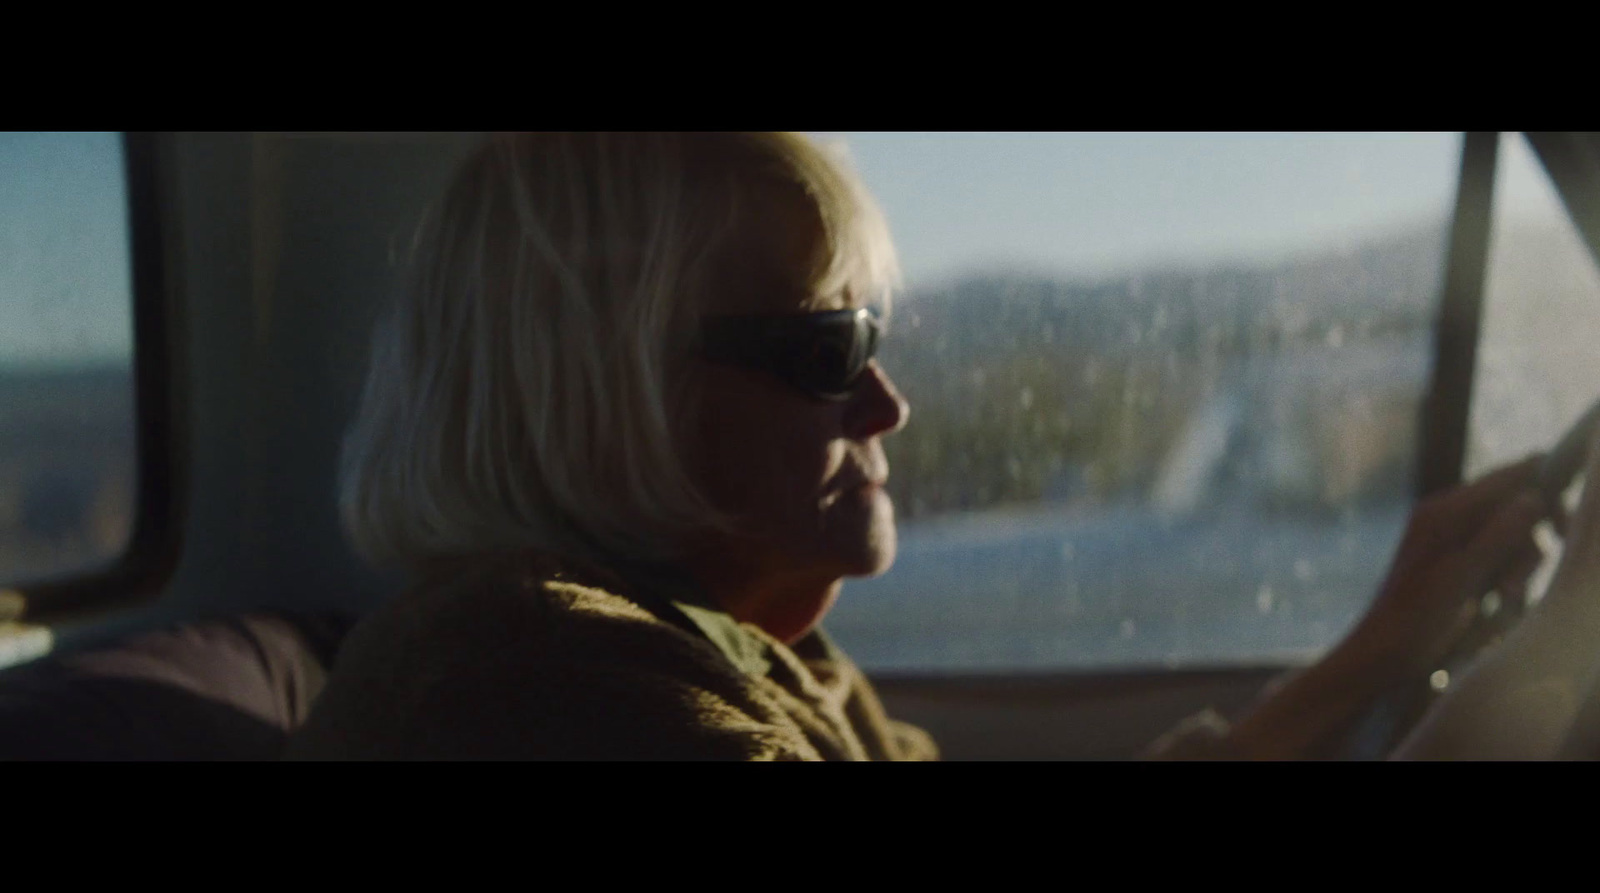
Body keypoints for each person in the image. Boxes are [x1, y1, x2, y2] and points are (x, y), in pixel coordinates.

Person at [286, 132, 1596, 760]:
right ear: (597, 391)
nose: (887, 406)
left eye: (875, 337)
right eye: (827, 349)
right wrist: (1554, 643)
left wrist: (1387, 642)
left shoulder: (748, 648)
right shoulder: (534, 691)